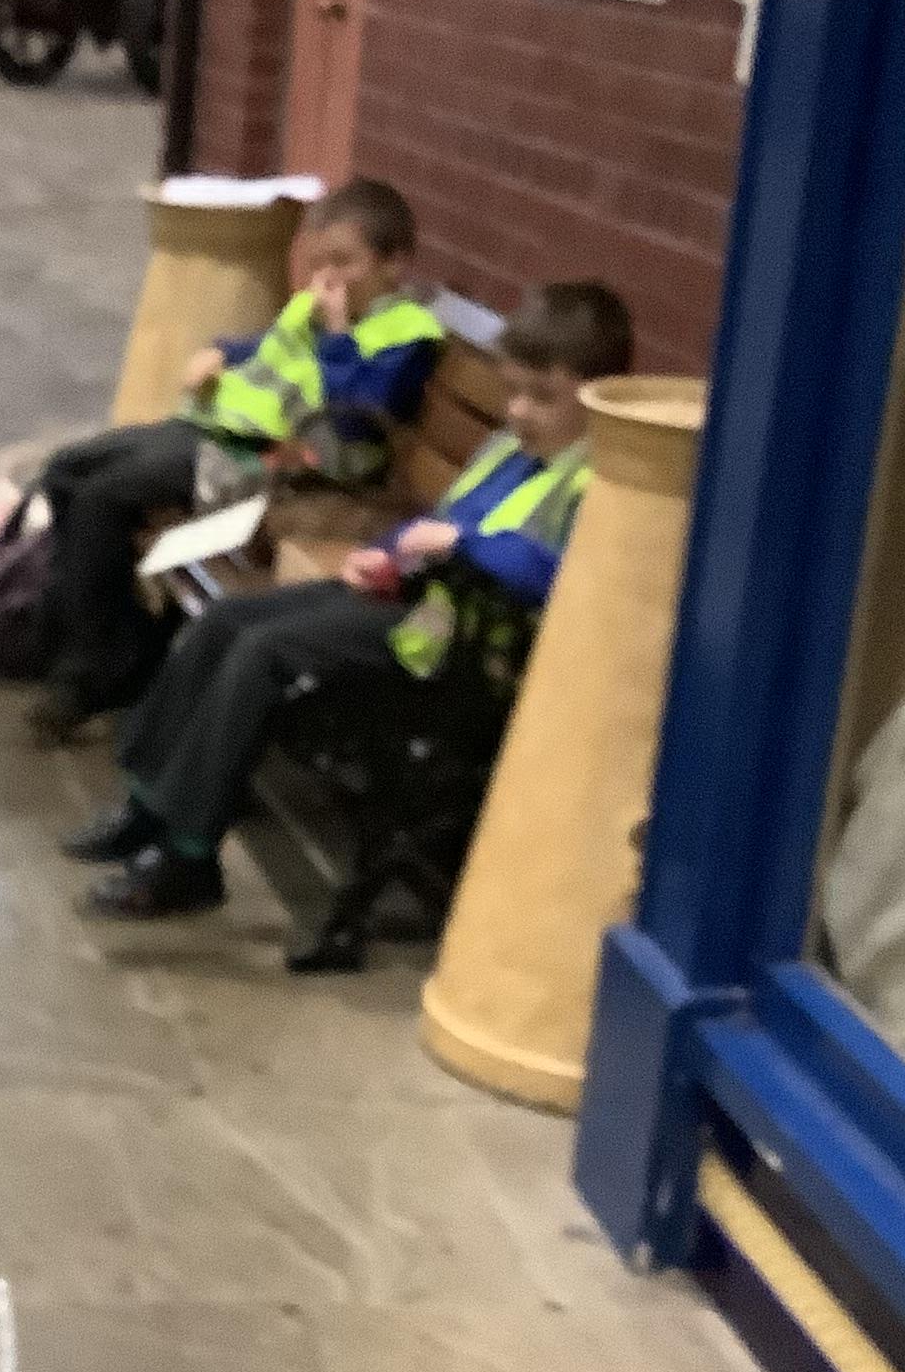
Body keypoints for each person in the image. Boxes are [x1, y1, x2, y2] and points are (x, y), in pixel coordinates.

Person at [64, 279, 636, 919]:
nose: (520, 411)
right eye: (513, 392)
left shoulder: (602, 481)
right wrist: (385, 552)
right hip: (417, 604)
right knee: (225, 621)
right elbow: (442, 521)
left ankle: (188, 859)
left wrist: (465, 545)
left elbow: (562, 574)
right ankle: (147, 807)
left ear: (599, 397)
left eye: (543, 397)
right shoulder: (513, 447)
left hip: (459, 655)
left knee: (262, 652)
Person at [28, 176, 446, 742]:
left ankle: (89, 675)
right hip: (216, 429)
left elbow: (360, 409)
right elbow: (268, 346)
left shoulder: (407, 335)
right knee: (66, 469)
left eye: (346, 263)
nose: (328, 278)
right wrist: (219, 350)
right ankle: (107, 639)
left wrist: (338, 333)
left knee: (105, 496)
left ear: (394, 263)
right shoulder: (317, 307)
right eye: (319, 262)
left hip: (273, 461)